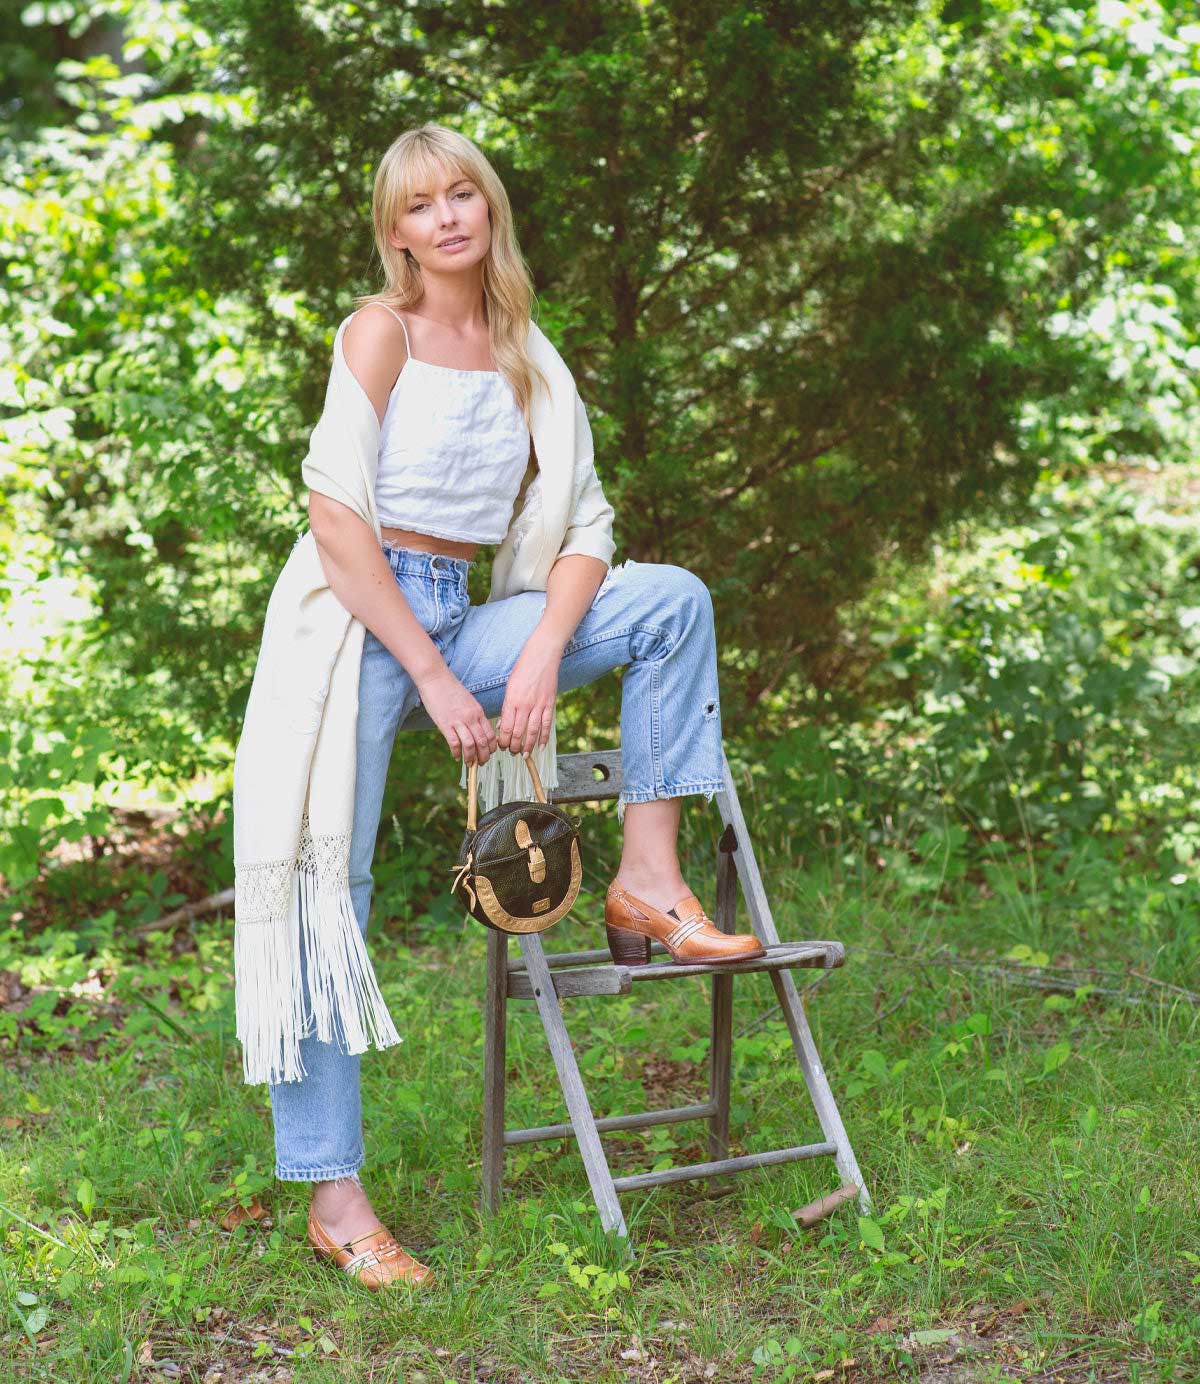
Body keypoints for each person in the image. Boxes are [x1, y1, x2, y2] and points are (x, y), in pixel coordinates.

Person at [271, 123, 765, 1289]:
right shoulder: (378, 332)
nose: (447, 217)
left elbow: (586, 522)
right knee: (318, 889)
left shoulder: (522, 347)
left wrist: (541, 643)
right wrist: (437, 676)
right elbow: (336, 516)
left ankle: (648, 879)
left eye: (463, 195)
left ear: (487, 209)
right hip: (359, 619)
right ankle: (335, 1198)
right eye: (420, 205)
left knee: (672, 602)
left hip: (475, 607)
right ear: (395, 231)